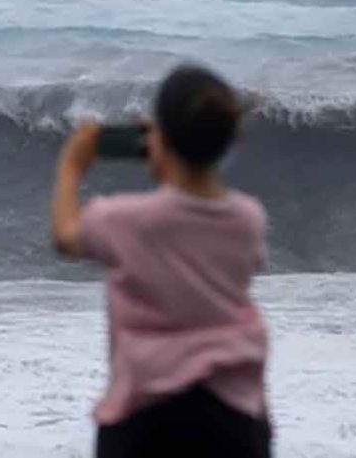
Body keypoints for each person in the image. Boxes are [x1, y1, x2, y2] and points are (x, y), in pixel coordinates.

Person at [51, 64, 272, 458]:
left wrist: (71, 167)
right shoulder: (248, 219)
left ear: (162, 140)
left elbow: (66, 237)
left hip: (146, 415)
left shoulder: (122, 220)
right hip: (234, 416)